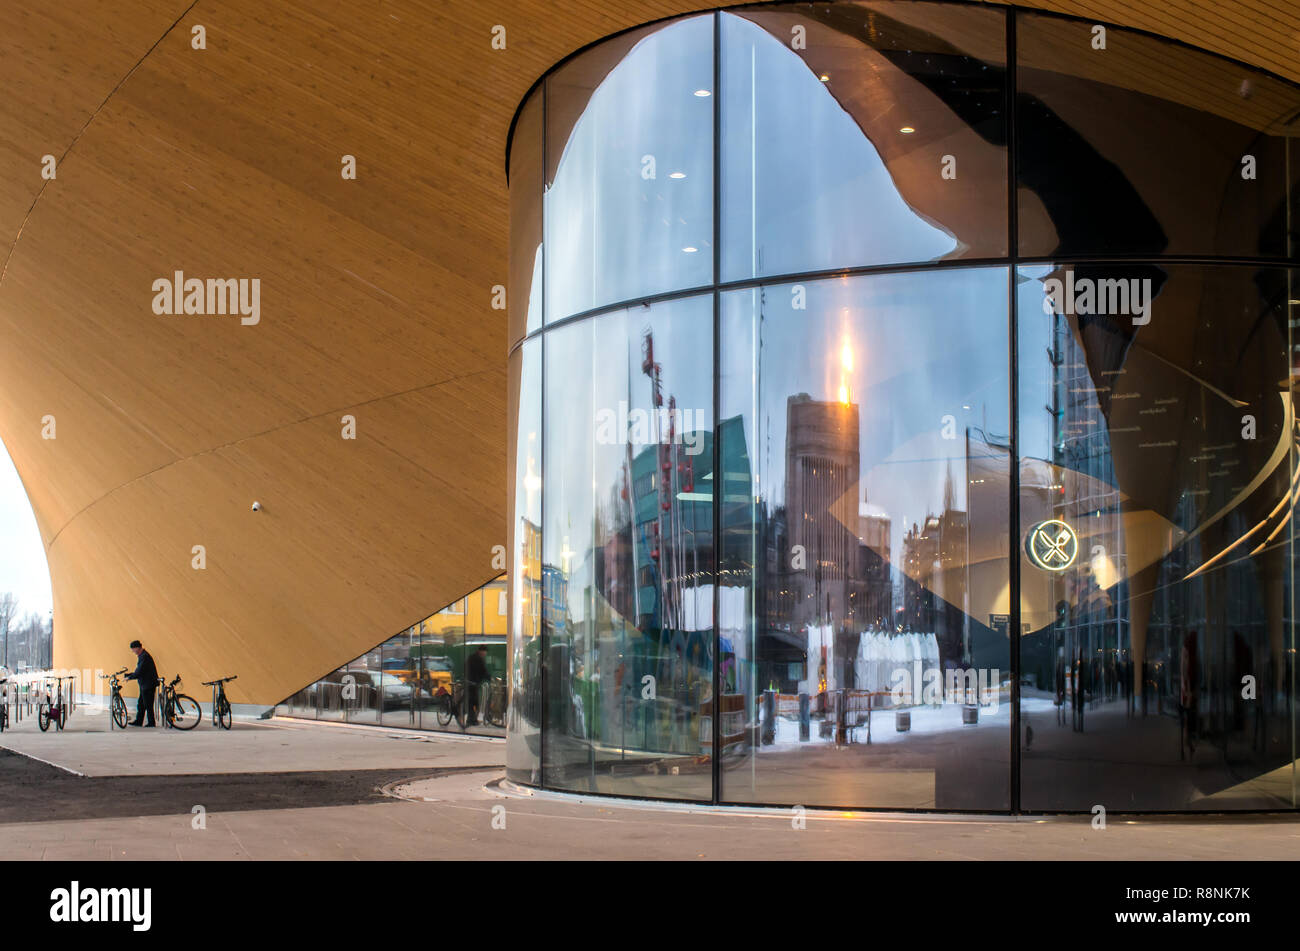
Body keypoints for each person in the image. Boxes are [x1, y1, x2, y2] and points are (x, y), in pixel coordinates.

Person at [124, 639, 158, 727]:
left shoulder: (144, 657)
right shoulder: (143, 656)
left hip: (148, 684)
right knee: (141, 704)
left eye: (133, 649)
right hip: (145, 684)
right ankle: (139, 721)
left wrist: (130, 677)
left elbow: (140, 671)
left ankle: (151, 723)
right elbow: (139, 671)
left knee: (148, 704)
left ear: (137, 648)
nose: (133, 652)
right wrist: (129, 675)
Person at [465, 646, 490, 726]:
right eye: (484, 652)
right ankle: (472, 720)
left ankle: (471, 720)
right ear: (481, 651)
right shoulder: (478, 659)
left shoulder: (472, 657)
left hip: (469, 682)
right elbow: (483, 670)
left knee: (471, 703)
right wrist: (490, 678)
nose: (485, 654)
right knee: (474, 703)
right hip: (473, 683)